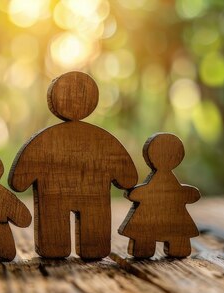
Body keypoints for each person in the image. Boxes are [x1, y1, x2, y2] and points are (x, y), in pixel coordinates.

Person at [8, 71, 137, 260]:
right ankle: (90, 248)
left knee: (54, 240)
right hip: (94, 198)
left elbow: (19, 180)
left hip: (53, 198)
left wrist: (23, 179)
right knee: (91, 237)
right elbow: (129, 178)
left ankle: (57, 248)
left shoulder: (44, 140)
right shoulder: (103, 139)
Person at [119, 133, 201, 258]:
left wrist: (135, 193)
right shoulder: (160, 181)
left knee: (167, 235)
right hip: (154, 221)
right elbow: (182, 194)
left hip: (167, 221)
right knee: (149, 235)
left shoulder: (166, 182)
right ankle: (147, 249)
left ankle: (172, 248)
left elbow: (179, 193)